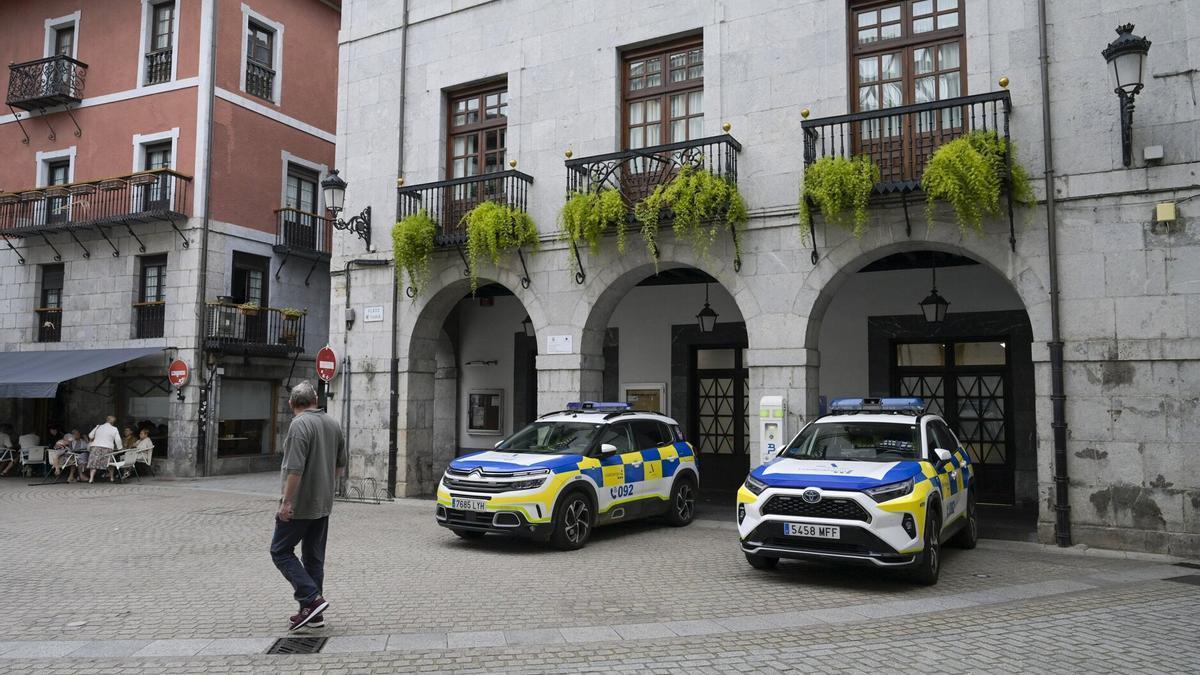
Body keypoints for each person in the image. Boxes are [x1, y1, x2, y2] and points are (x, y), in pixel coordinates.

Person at [270, 381, 347, 631]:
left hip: (299, 505)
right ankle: (314, 614)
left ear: (292, 404)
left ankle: (311, 599)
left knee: (280, 551)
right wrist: (323, 486)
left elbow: (294, 469)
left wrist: (286, 501)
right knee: (314, 558)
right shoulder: (333, 424)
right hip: (323, 502)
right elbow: (339, 467)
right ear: (316, 400)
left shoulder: (299, 424)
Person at [85, 415, 122, 484]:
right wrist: (120, 448)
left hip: (95, 447)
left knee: (94, 463)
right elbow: (118, 440)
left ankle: (91, 479)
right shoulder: (114, 429)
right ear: (113, 422)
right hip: (107, 448)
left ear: (106, 420)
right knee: (110, 463)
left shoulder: (98, 426)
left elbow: (90, 435)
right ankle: (111, 478)